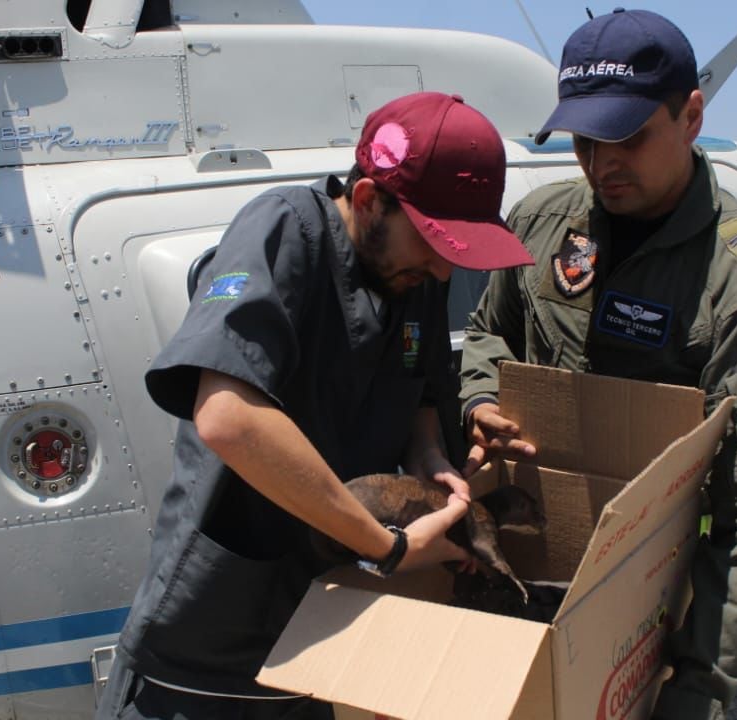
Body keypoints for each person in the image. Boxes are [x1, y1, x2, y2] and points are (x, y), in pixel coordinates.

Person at [98, 91, 534, 720]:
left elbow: (417, 387)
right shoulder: (285, 230)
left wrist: (430, 456)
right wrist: (388, 549)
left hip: (335, 624)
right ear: (366, 201)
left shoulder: (413, 276)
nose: (443, 272)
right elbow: (229, 416)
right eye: (435, 244)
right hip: (222, 644)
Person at [458, 9, 737, 720]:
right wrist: (478, 401)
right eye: (586, 139)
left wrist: (696, 693)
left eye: (627, 136)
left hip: (651, 604)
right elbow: (487, 333)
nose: (601, 162)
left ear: (691, 116)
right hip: (528, 572)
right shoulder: (544, 223)